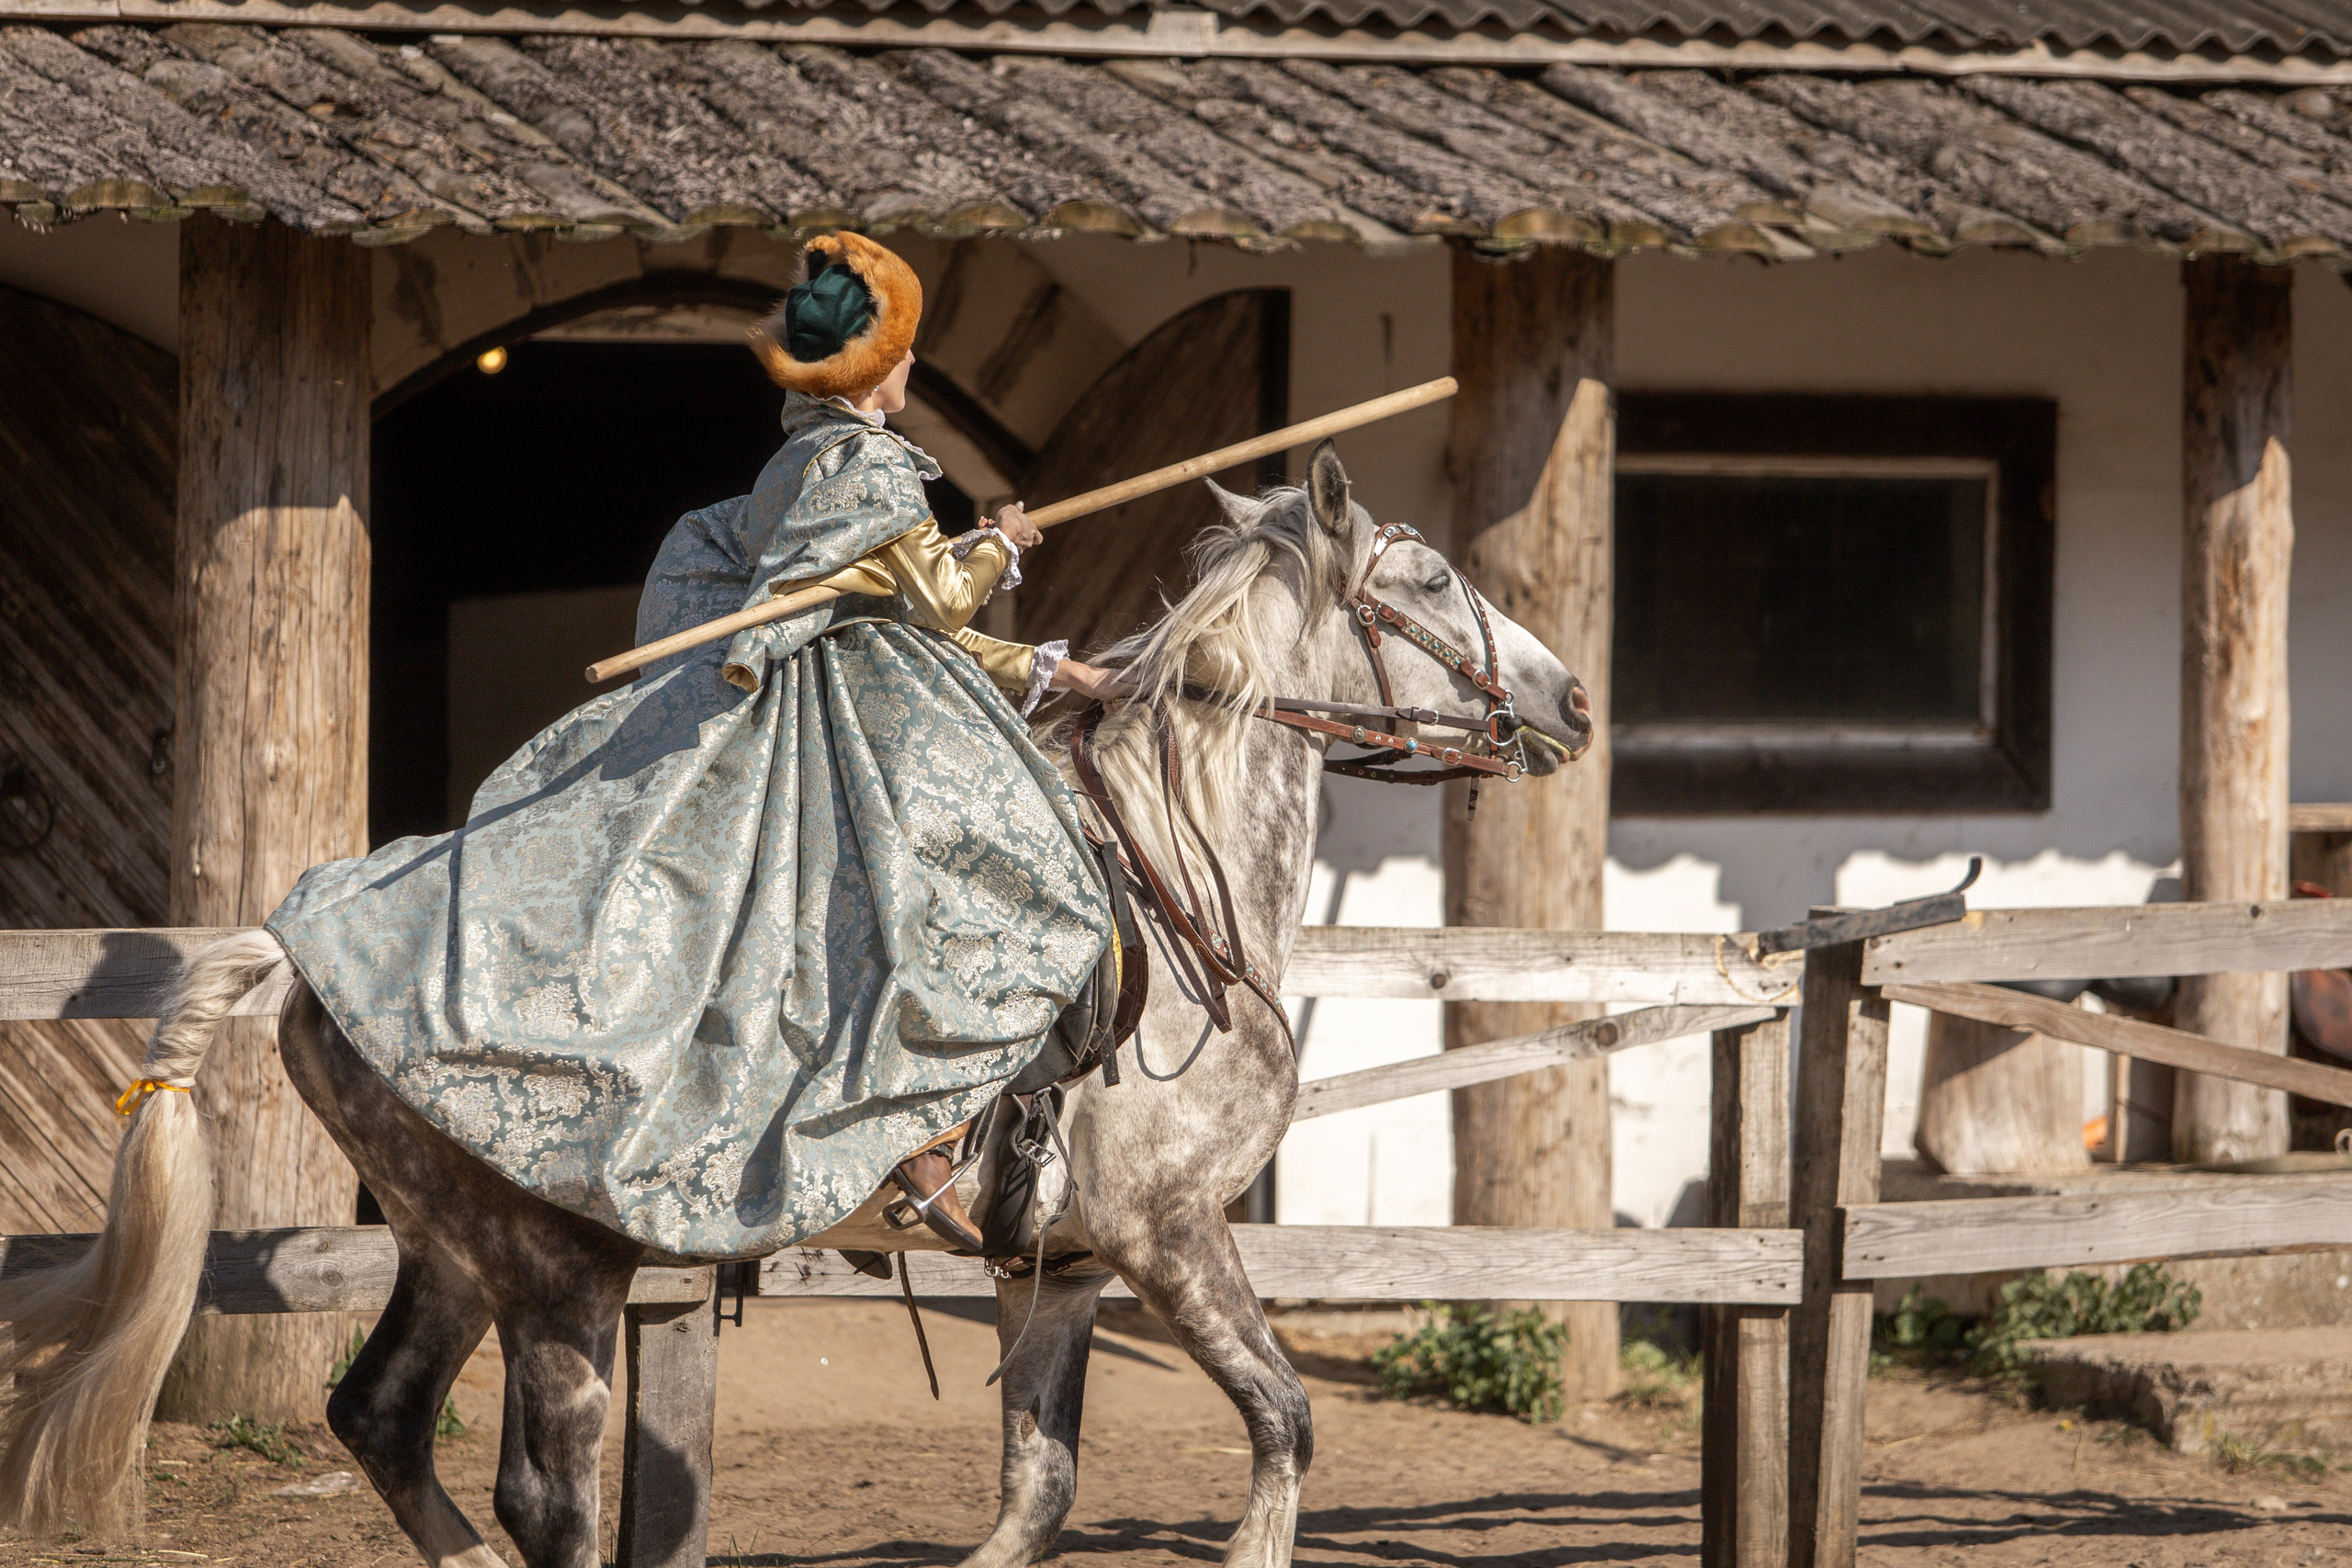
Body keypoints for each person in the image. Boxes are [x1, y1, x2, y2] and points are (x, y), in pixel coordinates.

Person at [266, 232, 1120, 1261]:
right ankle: (911, 1130)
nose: (909, 369)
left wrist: (1044, 660)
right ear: (873, 364)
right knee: (1003, 886)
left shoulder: (803, 454)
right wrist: (998, 546)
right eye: (902, 352)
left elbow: (893, 615)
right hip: (837, 728)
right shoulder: (868, 466)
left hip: (854, 696)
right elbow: (933, 607)